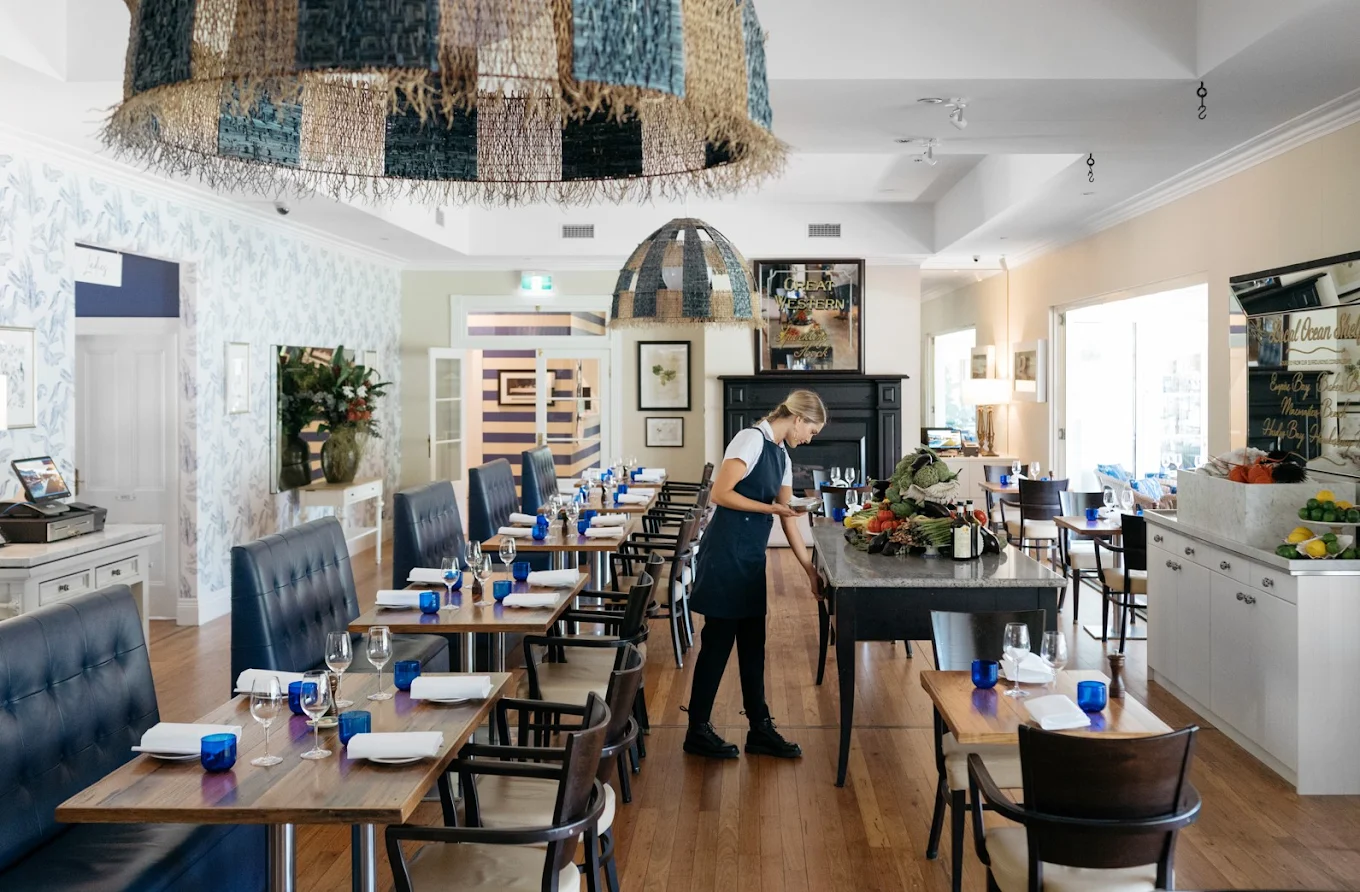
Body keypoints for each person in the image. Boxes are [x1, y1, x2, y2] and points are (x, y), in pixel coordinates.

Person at [683, 389, 826, 759]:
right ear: (798, 418)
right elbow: (720, 493)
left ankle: (759, 729)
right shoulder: (750, 440)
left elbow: (786, 513)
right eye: (810, 431)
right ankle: (697, 730)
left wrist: (808, 569)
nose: (809, 438)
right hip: (725, 553)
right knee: (717, 643)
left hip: (748, 558)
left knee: (752, 645)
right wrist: (771, 509)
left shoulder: (781, 454)